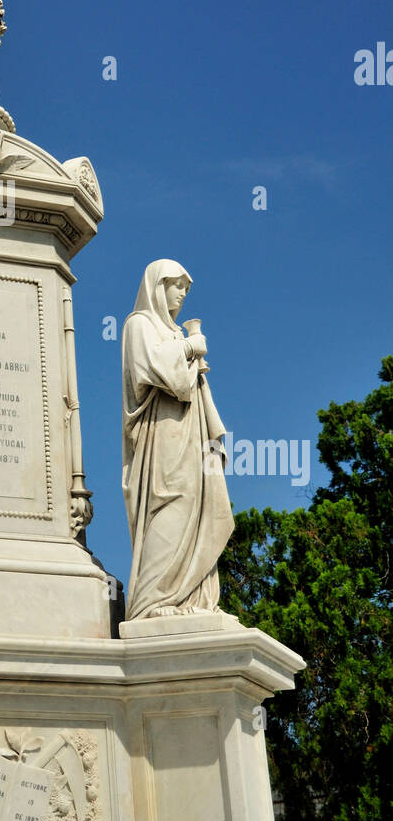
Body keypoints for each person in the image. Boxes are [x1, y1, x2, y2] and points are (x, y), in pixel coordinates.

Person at [121, 259, 234, 620]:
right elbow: (149, 368)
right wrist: (189, 349)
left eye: (186, 286)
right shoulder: (138, 324)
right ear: (157, 286)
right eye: (176, 284)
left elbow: (192, 389)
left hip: (192, 434)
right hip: (163, 435)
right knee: (170, 504)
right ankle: (152, 602)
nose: (183, 292)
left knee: (196, 505)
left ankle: (191, 598)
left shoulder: (175, 334)